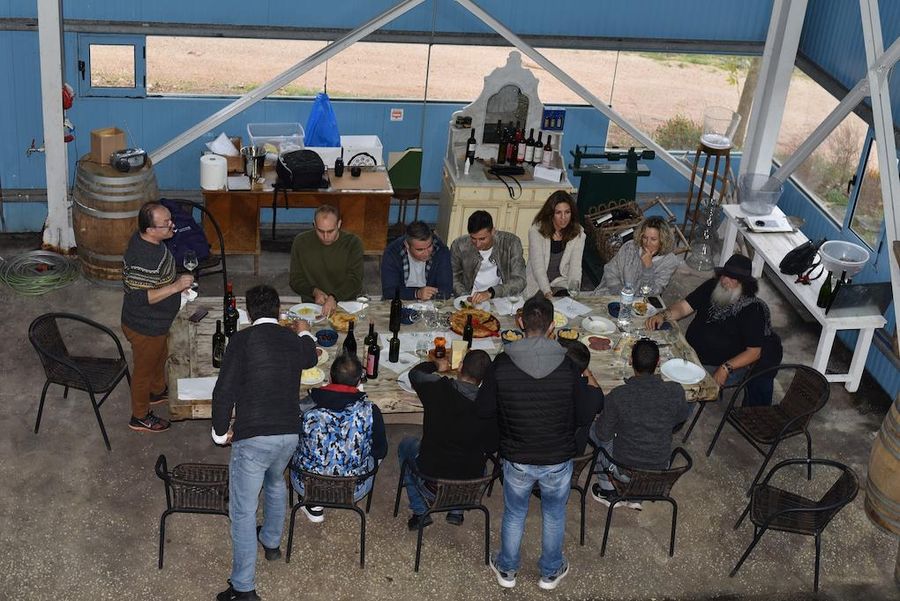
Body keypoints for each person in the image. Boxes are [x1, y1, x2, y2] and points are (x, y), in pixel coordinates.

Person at [477, 294, 602, 591]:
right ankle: (550, 572)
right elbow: (587, 411)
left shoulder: (502, 364)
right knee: (554, 513)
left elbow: (483, 409)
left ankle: (507, 570)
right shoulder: (569, 366)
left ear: (520, 323)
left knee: (515, 513)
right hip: (557, 459)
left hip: (517, 456)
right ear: (552, 326)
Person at [211, 285, 318, 601]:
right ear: (280, 311)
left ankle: (243, 588)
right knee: (274, 483)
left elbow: (224, 392)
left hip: (255, 436)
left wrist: (219, 433)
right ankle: (271, 541)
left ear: (247, 312)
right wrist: (306, 331)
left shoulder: (241, 341)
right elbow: (310, 357)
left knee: (243, 512)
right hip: (288, 433)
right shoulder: (291, 339)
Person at [646, 254, 783, 406]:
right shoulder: (713, 285)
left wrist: (726, 368)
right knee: (650, 356)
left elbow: (754, 352)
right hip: (689, 351)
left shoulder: (753, 310)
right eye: (725, 275)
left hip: (719, 364)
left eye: (732, 279)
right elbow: (684, 307)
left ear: (744, 283)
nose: (725, 281)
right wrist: (663, 315)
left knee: (674, 391)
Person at [398, 349, 493, 530]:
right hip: (469, 488)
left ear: (460, 367)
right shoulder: (490, 405)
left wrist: (436, 364)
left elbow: (415, 374)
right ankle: (456, 511)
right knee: (478, 462)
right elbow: (492, 445)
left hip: (431, 481)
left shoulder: (437, 388)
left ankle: (420, 511)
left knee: (405, 445)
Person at [590, 338, 690, 510]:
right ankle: (638, 496)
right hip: (659, 471)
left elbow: (602, 434)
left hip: (624, 470)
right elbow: (680, 418)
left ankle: (608, 491)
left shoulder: (619, 395)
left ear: (630, 361)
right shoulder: (675, 391)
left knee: (594, 429)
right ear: (658, 363)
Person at [121, 201, 194, 433]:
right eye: (166, 224)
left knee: (160, 356)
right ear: (150, 230)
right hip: (144, 326)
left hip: (159, 322)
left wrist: (175, 286)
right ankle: (140, 416)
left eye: (170, 219)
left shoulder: (149, 240)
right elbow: (138, 298)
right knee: (142, 372)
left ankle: (156, 392)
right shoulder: (143, 258)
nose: (172, 225)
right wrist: (175, 287)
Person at [291, 352, 387, 523]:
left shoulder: (307, 405)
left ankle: (313, 504)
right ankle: (346, 492)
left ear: (330, 377)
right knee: (375, 453)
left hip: (307, 485)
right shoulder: (370, 410)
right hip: (353, 488)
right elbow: (380, 450)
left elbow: (293, 437)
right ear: (359, 382)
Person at [289, 204, 363, 316]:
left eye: (330, 231)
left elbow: (355, 280)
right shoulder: (301, 242)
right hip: (311, 307)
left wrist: (334, 297)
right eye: (320, 231)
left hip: (346, 306)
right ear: (314, 224)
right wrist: (314, 292)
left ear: (339, 224)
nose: (325, 236)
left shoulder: (352, 243)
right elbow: (295, 280)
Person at [451, 210, 526, 305]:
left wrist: (491, 292)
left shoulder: (511, 243)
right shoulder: (459, 245)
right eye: (473, 239)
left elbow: (520, 280)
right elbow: (454, 277)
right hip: (470, 298)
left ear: (493, 231)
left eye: (482, 239)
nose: (478, 244)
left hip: (501, 298)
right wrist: (466, 298)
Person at [594, 215, 679, 296]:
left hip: (642, 303)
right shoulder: (630, 247)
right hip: (615, 294)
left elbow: (650, 292)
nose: (647, 243)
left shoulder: (670, 261)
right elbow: (610, 270)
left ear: (663, 240)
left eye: (653, 239)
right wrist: (621, 293)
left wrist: (648, 269)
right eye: (645, 237)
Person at [524, 191, 586, 299]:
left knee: (566, 306)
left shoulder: (578, 233)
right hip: (538, 283)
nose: (563, 217)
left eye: (567, 212)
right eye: (558, 213)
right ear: (551, 214)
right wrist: (547, 292)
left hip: (560, 282)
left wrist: (574, 290)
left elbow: (575, 267)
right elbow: (538, 267)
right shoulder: (536, 231)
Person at [380, 220, 453, 301]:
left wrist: (429, 295)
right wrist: (417, 293)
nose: (426, 253)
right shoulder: (393, 253)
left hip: (430, 301)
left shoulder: (441, 250)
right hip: (400, 300)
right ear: (407, 245)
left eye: (429, 246)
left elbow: (446, 290)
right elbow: (389, 291)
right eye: (420, 249)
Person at [557, 338, 604, 453]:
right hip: (573, 451)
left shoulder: (553, 387)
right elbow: (598, 394)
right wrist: (585, 369)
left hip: (551, 451)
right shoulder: (592, 395)